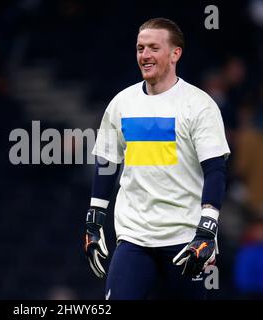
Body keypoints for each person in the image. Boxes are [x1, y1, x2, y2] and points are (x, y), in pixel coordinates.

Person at [84, 17, 230, 300]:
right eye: (140, 48)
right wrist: (94, 220)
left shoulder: (199, 105)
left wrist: (207, 230)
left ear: (175, 53)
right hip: (134, 236)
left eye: (153, 47)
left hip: (186, 239)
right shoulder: (121, 103)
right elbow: (106, 163)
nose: (145, 55)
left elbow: (215, 170)